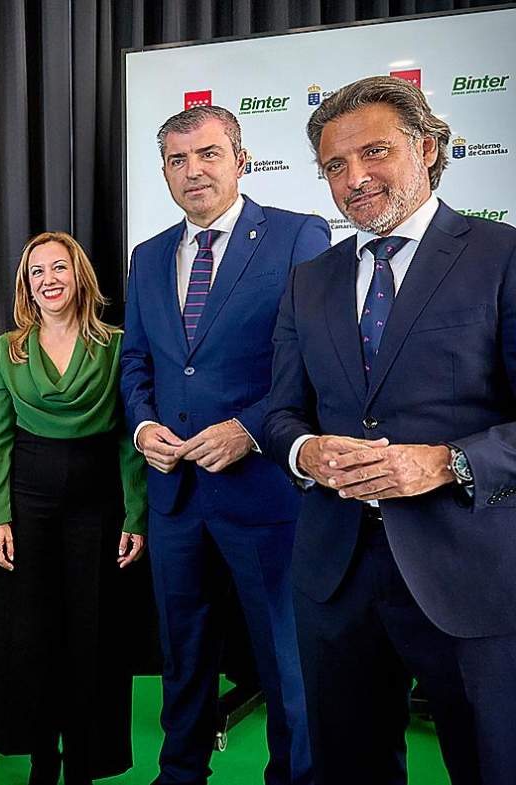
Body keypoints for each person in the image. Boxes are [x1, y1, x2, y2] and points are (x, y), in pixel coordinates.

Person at [264, 75, 516, 785]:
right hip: (335, 577)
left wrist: (446, 462)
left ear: (427, 148)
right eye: (335, 166)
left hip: (469, 574)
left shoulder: (501, 255)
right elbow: (280, 413)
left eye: (374, 152)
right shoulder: (309, 280)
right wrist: (305, 451)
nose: (355, 179)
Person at [119, 106, 330, 785]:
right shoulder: (149, 256)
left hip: (263, 496)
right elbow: (137, 362)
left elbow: (316, 360)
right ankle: (180, 773)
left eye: (208, 154)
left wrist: (250, 429)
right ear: (164, 172)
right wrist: (143, 425)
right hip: (176, 498)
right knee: (182, 656)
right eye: (178, 160)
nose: (194, 170)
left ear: (241, 160)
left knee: (284, 660)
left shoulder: (297, 235)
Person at [0, 231, 147, 785]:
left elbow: (128, 438)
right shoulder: (8, 350)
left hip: (99, 504)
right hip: (28, 504)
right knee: (32, 635)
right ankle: (42, 758)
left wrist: (135, 514)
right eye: (36, 272)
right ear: (26, 286)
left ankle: (86, 763)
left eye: (59, 268)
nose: (48, 280)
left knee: (92, 636)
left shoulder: (116, 346)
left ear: (79, 277)